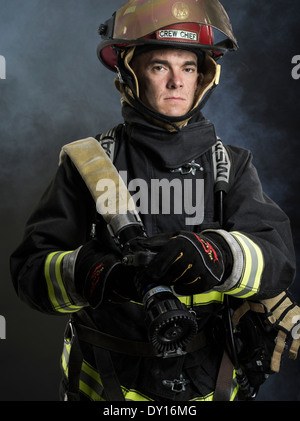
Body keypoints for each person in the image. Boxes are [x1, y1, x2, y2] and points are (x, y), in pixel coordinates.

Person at [10, 0, 298, 402]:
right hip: (104, 387)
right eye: (160, 66)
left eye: (189, 67)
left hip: (209, 384)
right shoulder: (89, 163)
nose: (176, 82)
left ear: (204, 78)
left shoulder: (229, 166)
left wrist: (218, 255)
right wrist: (95, 275)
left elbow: (278, 262)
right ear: (131, 73)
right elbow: (30, 273)